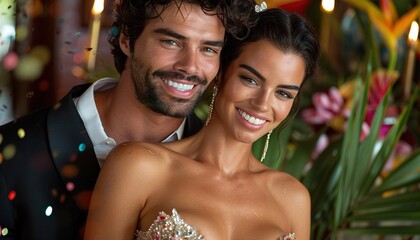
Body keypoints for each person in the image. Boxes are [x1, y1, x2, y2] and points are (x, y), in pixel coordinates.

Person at [0, 1, 257, 239]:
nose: (190, 66)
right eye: (171, 42)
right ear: (126, 39)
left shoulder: (221, 166)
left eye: (208, 49)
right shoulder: (11, 153)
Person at [85, 7, 320, 240]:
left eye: (284, 94)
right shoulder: (138, 166)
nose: (262, 104)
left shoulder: (293, 198)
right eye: (250, 79)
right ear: (220, 72)